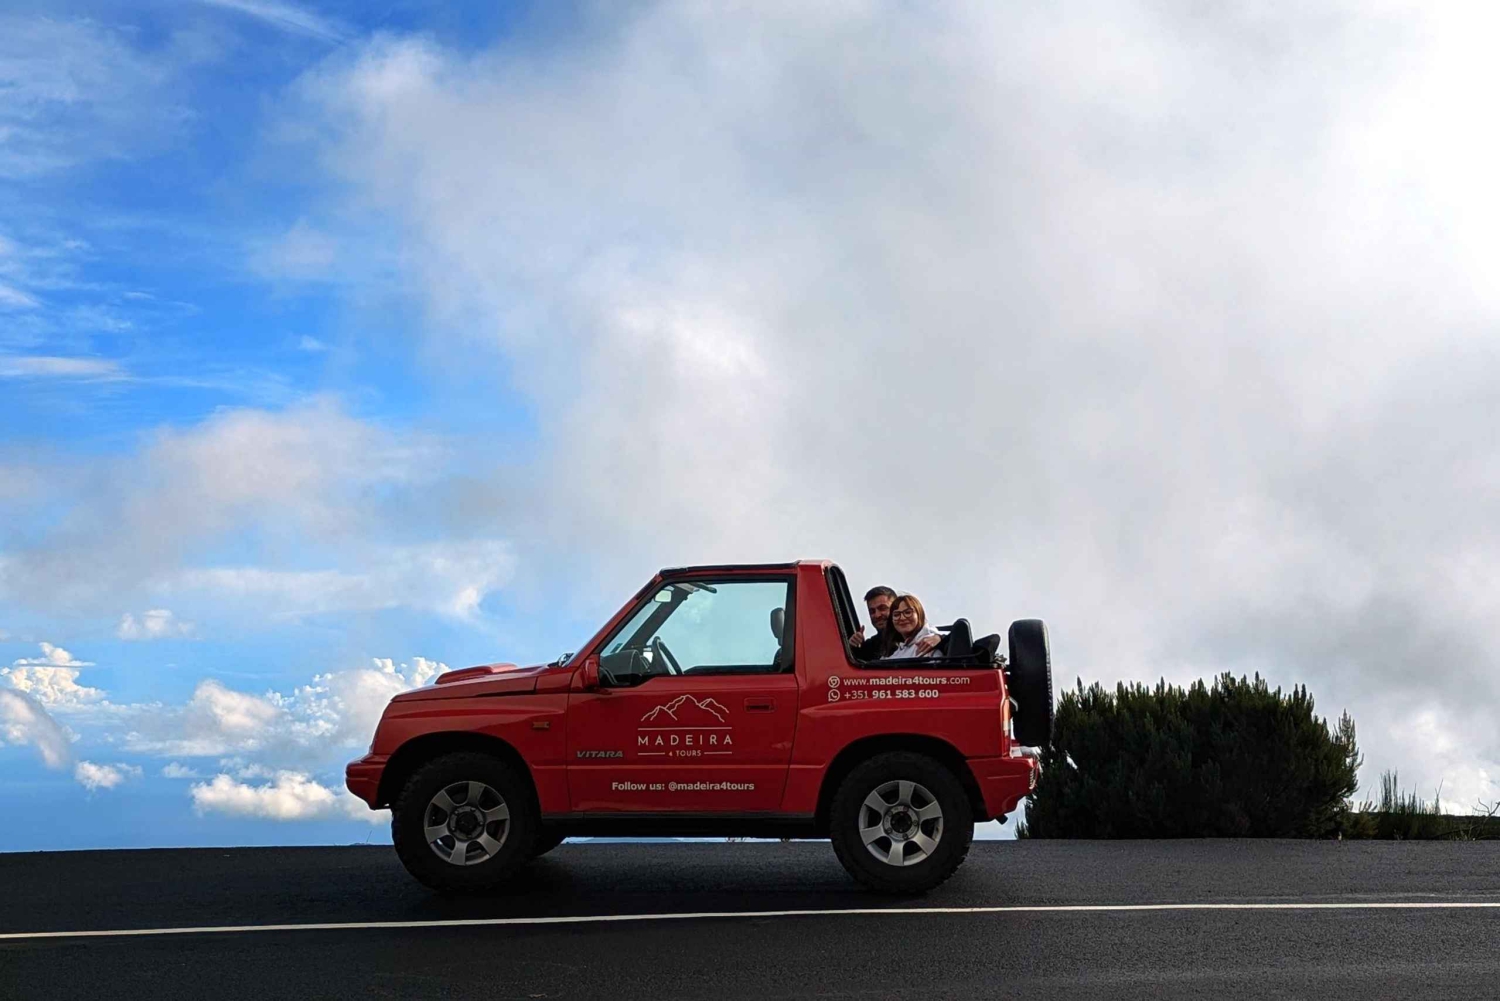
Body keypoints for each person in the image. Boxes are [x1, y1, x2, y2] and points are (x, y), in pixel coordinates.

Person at [851, 585, 940, 661]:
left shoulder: (925, 638)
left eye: (882, 608)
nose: (877, 615)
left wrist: (940, 639)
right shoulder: (871, 646)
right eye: (872, 611)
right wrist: (853, 647)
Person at [886, 593, 941, 660]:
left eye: (908, 612)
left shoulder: (929, 643)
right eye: (896, 614)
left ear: (919, 614)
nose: (902, 618)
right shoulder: (899, 650)